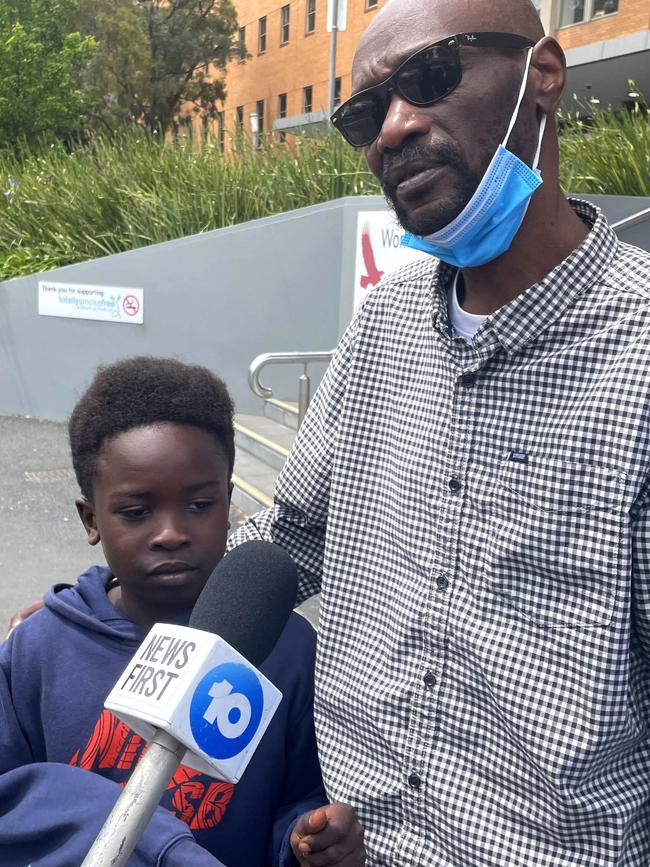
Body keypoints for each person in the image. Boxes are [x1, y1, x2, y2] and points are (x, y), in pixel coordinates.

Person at [229, 0, 650, 864]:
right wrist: (111, 608)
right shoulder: (378, 329)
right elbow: (292, 535)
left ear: (544, 71)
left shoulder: (636, 354)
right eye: (365, 113)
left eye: (430, 78)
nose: (395, 128)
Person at [0, 356, 364, 867]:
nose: (171, 533)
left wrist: (307, 838)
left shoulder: (286, 647)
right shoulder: (39, 649)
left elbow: (299, 795)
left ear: (229, 502)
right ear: (91, 518)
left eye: (200, 505)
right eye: (137, 511)